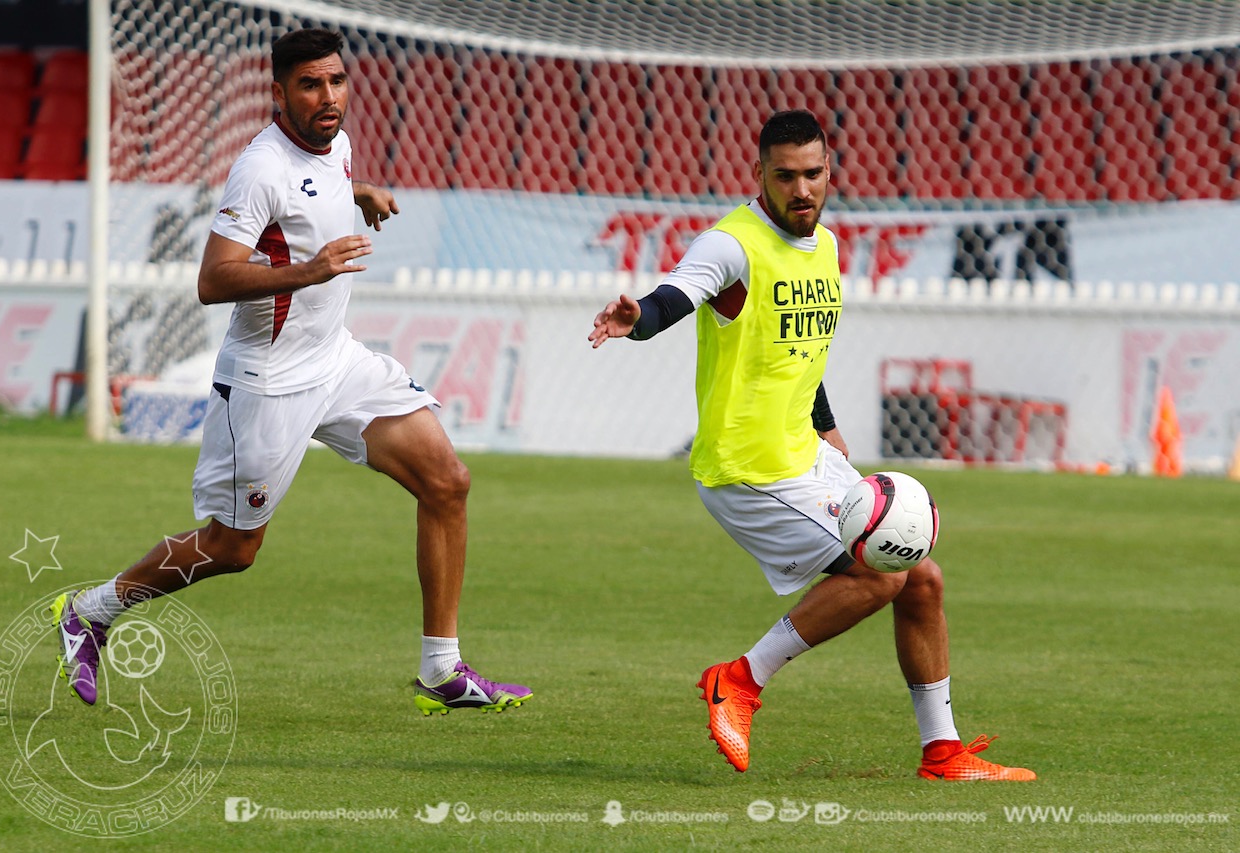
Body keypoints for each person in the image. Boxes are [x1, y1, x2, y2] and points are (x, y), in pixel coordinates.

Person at [53, 28, 531, 717]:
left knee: (447, 481)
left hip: (334, 359)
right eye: (310, 85)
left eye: (336, 81)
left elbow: (319, 189)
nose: (328, 96)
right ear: (278, 93)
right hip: (268, 380)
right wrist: (309, 269)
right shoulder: (260, 168)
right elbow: (213, 279)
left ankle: (442, 669)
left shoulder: (332, 141)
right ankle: (92, 610)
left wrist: (358, 192)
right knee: (232, 547)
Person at [589, 109, 1033, 781]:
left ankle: (942, 751)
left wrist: (825, 427)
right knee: (881, 575)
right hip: (748, 469)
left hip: (804, 452)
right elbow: (675, 296)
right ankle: (740, 679)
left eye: (812, 174)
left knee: (922, 577)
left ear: (831, 170)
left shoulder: (824, 246)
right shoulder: (731, 244)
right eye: (785, 176)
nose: (801, 189)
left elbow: (798, 350)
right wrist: (639, 319)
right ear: (759, 175)